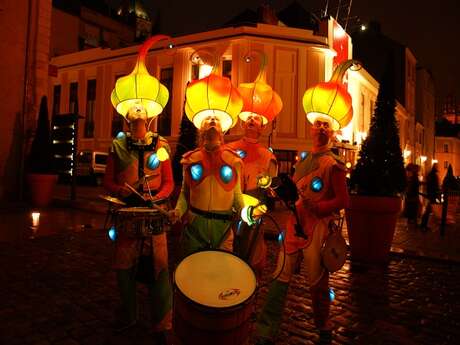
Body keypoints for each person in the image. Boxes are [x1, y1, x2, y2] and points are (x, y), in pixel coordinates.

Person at [255, 115, 349, 345]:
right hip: (293, 226)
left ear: (333, 132)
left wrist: (318, 207)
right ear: (310, 129)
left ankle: (323, 327)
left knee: (317, 282)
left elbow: (343, 200)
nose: (321, 128)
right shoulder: (303, 161)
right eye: (318, 124)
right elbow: (296, 193)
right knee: (279, 277)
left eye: (326, 125)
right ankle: (266, 330)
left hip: (317, 229)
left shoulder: (333, 164)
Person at [103, 102, 174, 342]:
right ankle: (129, 314)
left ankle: (162, 323)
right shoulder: (118, 146)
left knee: (160, 268)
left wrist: (159, 196)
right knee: (124, 267)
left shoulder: (161, 145)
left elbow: (168, 182)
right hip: (127, 214)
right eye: (133, 120)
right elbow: (109, 181)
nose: (138, 120)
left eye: (141, 119)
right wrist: (121, 191)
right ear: (126, 121)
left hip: (154, 214)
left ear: (150, 120)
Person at [170, 114, 266, 256]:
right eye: (208, 118)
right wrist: (178, 211)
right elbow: (185, 194)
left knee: (221, 272)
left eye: (216, 119)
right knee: (194, 272)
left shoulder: (233, 160)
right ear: (201, 128)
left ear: (222, 130)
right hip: (195, 227)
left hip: (223, 230)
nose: (213, 120)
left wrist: (248, 213)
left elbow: (237, 196)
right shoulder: (190, 159)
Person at [225, 113, 277, 276]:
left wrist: (266, 184)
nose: (252, 120)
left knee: (252, 251)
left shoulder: (267, 156)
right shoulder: (229, 149)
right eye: (248, 118)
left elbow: (272, 187)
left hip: (254, 209)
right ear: (242, 124)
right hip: (231, 206)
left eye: (257, 118)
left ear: (262, 127)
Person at [420, 163, 440, 231]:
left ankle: (424, 224)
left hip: (431, 194)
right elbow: (434, 186)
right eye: (437, 167)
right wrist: (437, 192)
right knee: (430, 210)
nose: (438, 168)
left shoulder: (431, 174)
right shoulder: (433, 175)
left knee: (429, 210)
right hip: (432, 194)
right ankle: (424, 225)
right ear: (435, 168)